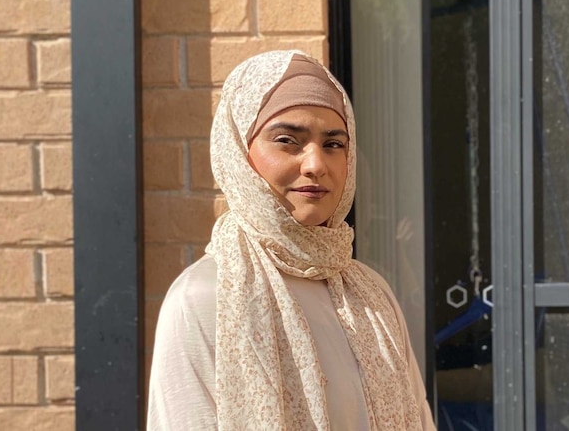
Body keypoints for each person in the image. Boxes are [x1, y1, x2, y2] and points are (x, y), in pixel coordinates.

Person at [147, 50, 436, 430]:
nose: (316, 164)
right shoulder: (205, 297)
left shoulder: (370, 296)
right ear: (239, 154)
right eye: (287, 140)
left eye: (333, 144)